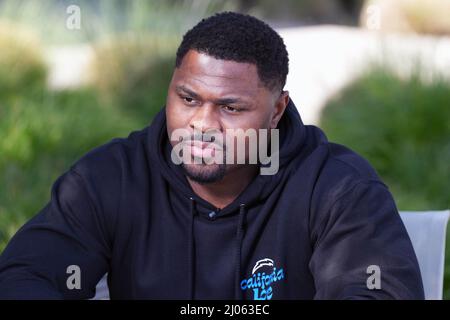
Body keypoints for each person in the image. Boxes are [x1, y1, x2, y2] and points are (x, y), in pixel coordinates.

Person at [0, 12, 423, 300]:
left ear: (277, 111)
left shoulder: (337, 187)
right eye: (187, 98)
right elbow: (23, 278)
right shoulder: (110, 178)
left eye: (230, 107)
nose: (202, 124)